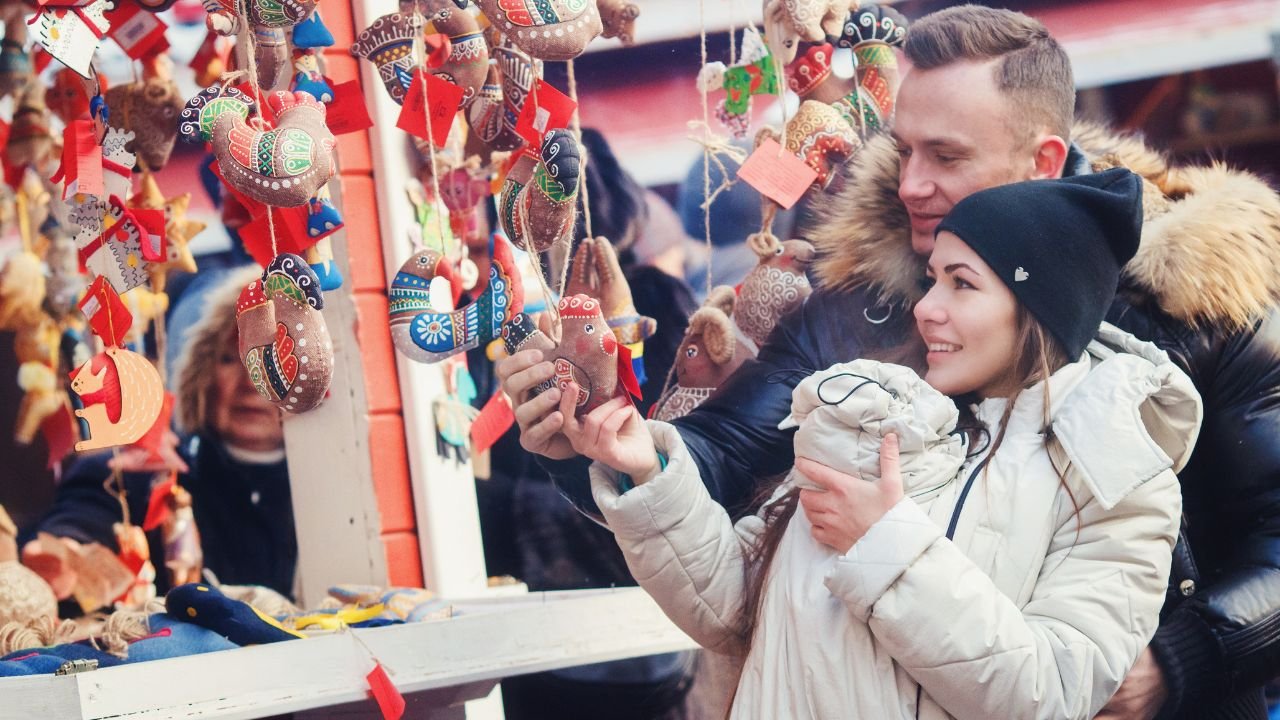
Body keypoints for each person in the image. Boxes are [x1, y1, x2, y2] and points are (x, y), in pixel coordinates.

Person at [498, 6, 1280, 718]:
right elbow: (724, 463)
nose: (911, 184)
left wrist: (1179, 662)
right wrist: (598, 444)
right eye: (904, 149)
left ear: (1042, 158)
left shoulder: (1203, 298)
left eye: (945, 155)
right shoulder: (857, 301)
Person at [562, 169, 1197, 718]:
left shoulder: (1118, 481)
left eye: (962, 284)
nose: (926, 308)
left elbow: (1049, 693)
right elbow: (733, 606)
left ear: (1038, 307)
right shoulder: (874, 414)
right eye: (932, 279)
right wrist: (649, 473)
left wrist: (885, 544)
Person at [20, 266, 298, 602]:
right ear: (200, 374)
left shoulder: (333, 489)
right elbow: (87, 514)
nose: (252, 383)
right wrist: (64, 550)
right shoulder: (140, 474)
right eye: (229, 359)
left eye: (273, 359)